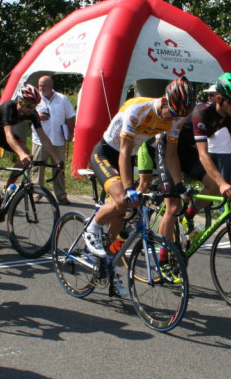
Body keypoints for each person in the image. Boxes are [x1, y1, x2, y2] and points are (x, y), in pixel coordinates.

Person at [82, 78, 196, 297]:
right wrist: (128, 187)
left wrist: (179, 185)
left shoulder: (176, 118)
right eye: (172, 112)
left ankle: (107, 262)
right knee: (122, 200)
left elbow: (171, 156)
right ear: (164, 100)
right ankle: (92, 229)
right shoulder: (138, 109)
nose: (174, 118)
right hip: (106, 153)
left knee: (124, 213)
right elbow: (123, 151)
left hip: (128, 158)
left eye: (179, 115)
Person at [155, 73, 231, 245]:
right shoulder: (201, 114)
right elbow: (203, 154)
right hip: (169, 151)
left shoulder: (229, 117)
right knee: (173, 207)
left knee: (212, 186)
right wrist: (223, 183)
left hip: (187, 152)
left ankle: (189, 214)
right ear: (220, 98)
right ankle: (163, 259)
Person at [0, 84, 61, 194]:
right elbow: (9, 135)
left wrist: (56, 159)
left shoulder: (32, 113)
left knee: (26, 152)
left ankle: (6, 190)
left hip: (3, 135)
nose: (32, 109)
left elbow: (43, 137)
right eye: (29, 106)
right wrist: (21, 154)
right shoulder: (8, 107)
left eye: (35, 106)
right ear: (20, 102)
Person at [30, 75, 76, 205]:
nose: (41, 88)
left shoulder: (62, 99)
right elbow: (26, 114)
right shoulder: (35, 98)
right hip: (39, 140)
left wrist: (71, 132)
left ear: (51, 86)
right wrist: (37, 116)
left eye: (44, 86)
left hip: (58, 140)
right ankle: (37, 194)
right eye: (40, 86)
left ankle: (61, 196)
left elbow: (71, 116)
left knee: (59, 168)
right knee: (38, 168)